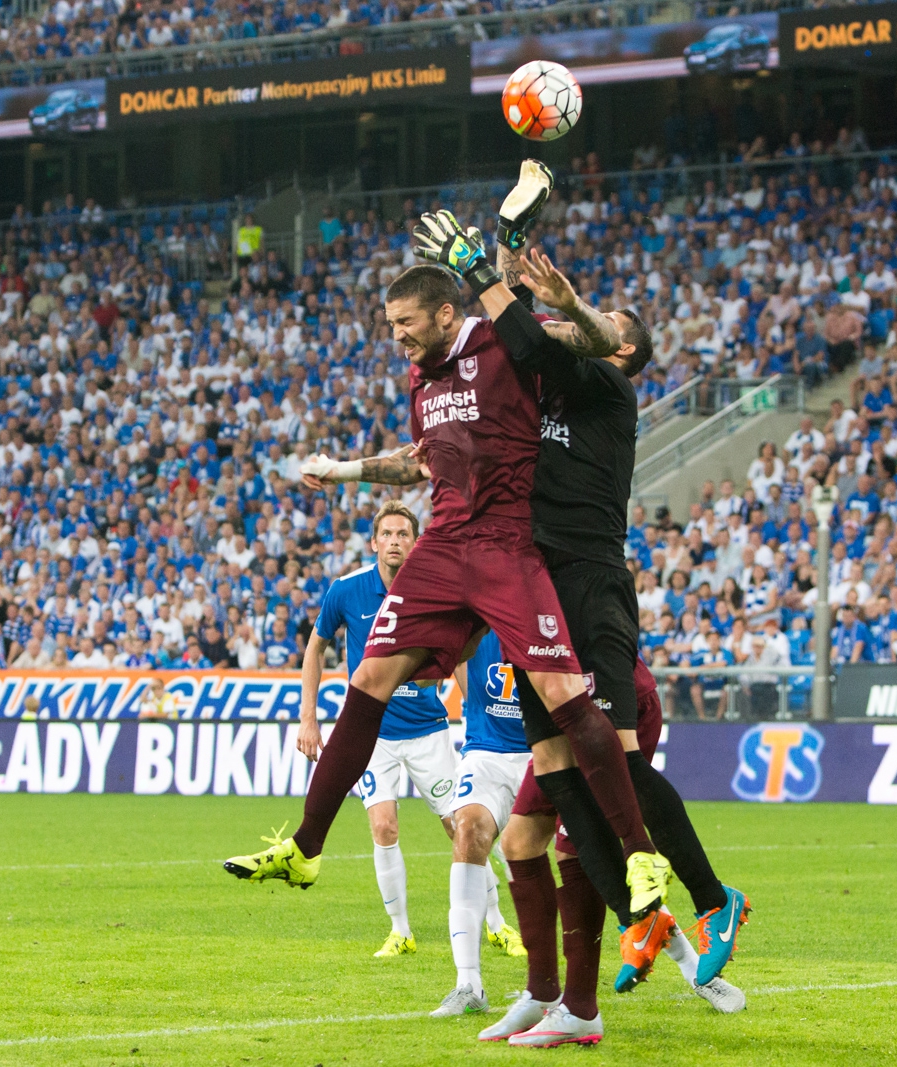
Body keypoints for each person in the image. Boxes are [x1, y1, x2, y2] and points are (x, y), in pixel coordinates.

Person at [223, 204, 667, 938]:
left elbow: (591, 340)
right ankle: (304, 847)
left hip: (506, 546)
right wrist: (341, 471)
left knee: (562, 696)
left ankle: (640, 853)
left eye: (404, 321)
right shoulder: (422, 381)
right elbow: (419, 462)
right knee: (366, 680)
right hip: (442, 545)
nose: (395, 335)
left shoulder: (506, 345)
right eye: (388, 322)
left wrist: (526, 268)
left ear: (445, 312)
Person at [488, 242, 750, 1040]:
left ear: (620, 347)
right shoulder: (548, 396)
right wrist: (507, 257)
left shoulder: (605, 387)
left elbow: (536, 335)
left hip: (592, 584)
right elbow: (513, 339)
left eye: (597, 323)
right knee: (560, 778)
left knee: (622, 768)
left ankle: (714, 899)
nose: (574, 324)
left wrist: (531, 293)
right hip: (538, 591)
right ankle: (642, 919)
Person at [480, 658, 745, 1049]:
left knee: (575, 847)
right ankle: (542, 994)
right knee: (518, 841)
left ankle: (583, 1006)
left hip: (603, 694)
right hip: (560, 704)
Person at [289, 501, 469, 959]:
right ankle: (400, 931)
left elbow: (462, 651)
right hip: (374, 735)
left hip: (429, 730)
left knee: (464, 828)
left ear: (415, 542)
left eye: (402, 534)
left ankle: (495, 923)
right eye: (386, 534)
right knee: (384, 826)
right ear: (373, 544)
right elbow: (315, 648)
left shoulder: (433, 590)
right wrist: (308, 716)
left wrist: (475, 714)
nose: (394, 541)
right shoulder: (346, 590)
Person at [431, 632, 533, 1017]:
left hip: (545, 750)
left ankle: (694, 970)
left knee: (593, 854)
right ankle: (468, 983)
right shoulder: (473, 613)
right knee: (469, 829)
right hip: (486, 752)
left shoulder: (548, 607)